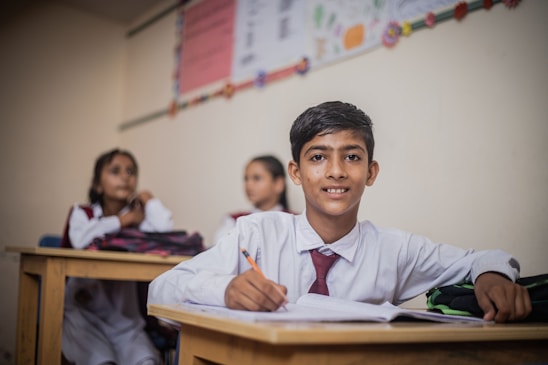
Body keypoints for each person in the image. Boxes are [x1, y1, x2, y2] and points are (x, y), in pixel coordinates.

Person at [148, 101, 531, 323]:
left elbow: (481, 259)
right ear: (296, 173)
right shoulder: (256, 234)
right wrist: (226, 289)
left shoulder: (394, 249)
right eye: (318, 157)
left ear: (371, 172)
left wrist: (492, 275)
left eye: (351, 157)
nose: (335, 171)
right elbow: (160, 292)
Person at [62, 148, 173, 365]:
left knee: (147, 361)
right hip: (84, 315)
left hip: (125, 321)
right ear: (97, 184)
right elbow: (81, 240)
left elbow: (165, 229)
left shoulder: (141, 220)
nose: (125, 177)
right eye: (115, 171)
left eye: (130, 172)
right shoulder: (82, 213)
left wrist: (149, 200)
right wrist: (123, 221)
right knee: (101, 361)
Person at [213, 155, 293, 246]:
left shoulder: (296, 221)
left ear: (279, 184)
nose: (248, 185)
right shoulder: (233, 221)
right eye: (246, 179)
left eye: (257, 178)